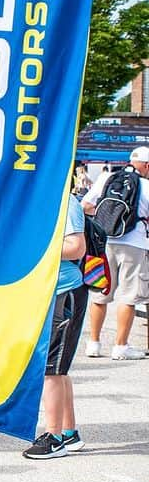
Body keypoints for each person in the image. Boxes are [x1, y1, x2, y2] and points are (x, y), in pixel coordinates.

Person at [24, 184, 88, 459]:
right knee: (59, 368)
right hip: (54, 291)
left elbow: (76, 247)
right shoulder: (45, 196)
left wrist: (37, 247)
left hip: (65, 290)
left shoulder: (66, 201)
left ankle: (54, 436)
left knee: (52, 368)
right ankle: (68, 432)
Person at [81, 146, 149, 360]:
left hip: (105, 241)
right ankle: (121, 346)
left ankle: (94, 343)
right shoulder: (146, 185)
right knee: (128, 296)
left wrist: (106, 219)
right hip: (136, 244)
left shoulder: (106, 178)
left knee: (101, 293)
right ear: (147, 165)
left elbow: (85, 205)